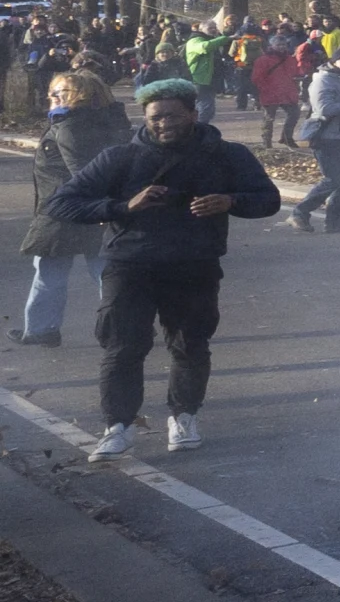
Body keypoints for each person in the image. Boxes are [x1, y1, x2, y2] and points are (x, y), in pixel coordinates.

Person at [44, 77, 281, 456]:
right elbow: (61, 204)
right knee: (122, 347)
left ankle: (184, 417)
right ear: (145, 118)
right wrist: (122, 207)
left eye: (172, 116)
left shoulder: (226, 155)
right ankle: (117, 427)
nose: (163, 124)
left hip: (194, 264)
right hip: (130, 264)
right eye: (155, 118)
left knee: (189, 345)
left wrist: (230, 200)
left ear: (193, 113)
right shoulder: (121, 158)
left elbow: (268, 200)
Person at [19, 70, 125, 345]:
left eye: (60, 92)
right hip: (83, 210)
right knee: (103, 272)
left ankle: (42, 331)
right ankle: (126, 325)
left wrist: (100, 208)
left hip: (66, 212)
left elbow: (84, 173)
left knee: (51, 274)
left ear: (81, 95)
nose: (51, 97)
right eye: (51, 92)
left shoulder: (68, 127)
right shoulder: (87, 121)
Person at [296, 45, 340, 231]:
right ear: (334, 62)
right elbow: (325, 109)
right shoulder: (323, 80)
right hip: (326, 136)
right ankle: (300, 212)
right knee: (333, 179)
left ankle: (336, 220)